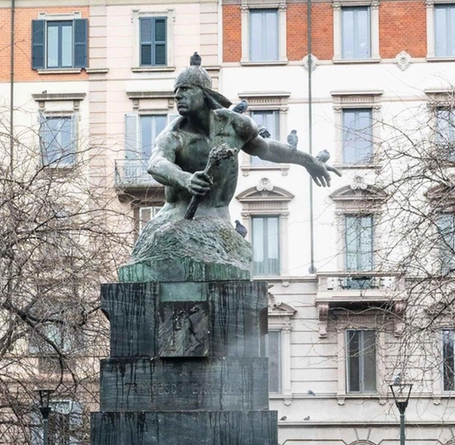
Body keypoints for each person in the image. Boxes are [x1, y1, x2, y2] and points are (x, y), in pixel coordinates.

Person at [124, 53, 332, 281]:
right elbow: (156, 164)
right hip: (177, 217)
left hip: (218, 218)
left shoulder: (235, 125)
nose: (178, 96)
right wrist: (185, 179)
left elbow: (266, 149)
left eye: (185, 89)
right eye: (176, 91)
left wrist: (308, 160)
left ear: (204, 93)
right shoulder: (174, 135)